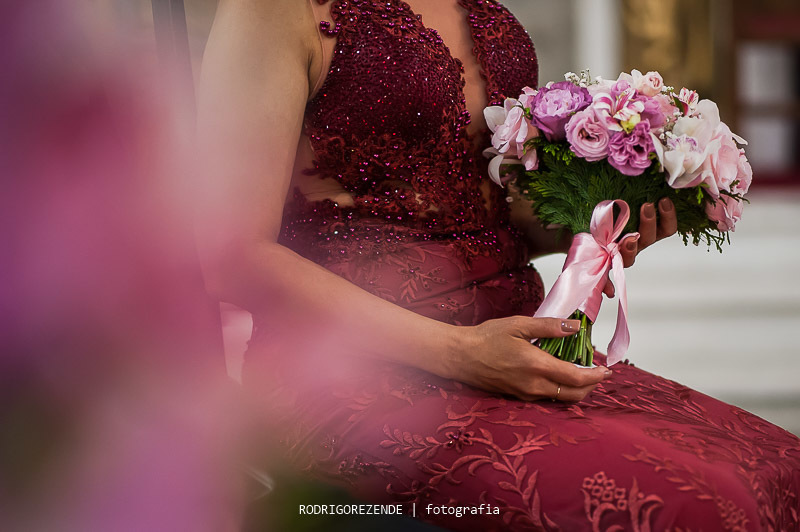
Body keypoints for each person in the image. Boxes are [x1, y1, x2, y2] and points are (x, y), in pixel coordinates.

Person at [195, 0, 800, 529]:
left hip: (517, 354)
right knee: (706, 508)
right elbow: (233, 255)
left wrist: (603, 224)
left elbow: (489, 220)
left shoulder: (483, 12)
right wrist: (461, 353)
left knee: (779, 468)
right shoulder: (276, 8)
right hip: (352, 383)